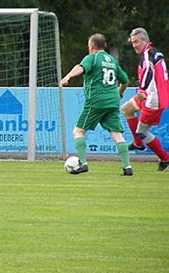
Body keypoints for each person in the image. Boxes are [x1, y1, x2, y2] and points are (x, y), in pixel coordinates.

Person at [59, 33, 133, 176]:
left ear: (91, 47)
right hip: (112, 102)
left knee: (78, 132)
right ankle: (127, 167)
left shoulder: (92, 58)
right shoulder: (112, 61)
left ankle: (83, 163)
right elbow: (125, 80)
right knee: (117, 134)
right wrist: (120, 93)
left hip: (96, 101)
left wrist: (67, 76)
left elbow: (80, 68)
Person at [120, 27, 169, 171]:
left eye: (136, 42)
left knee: (142, 132)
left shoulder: (148, 54)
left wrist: (142, 89)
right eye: (132, 43)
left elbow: (148, 70)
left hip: (154, 100)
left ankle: (165, 158)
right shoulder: (154, 53)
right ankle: (138, 144)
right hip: (150, 95)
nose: (134, 45)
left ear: (144, 40)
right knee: (126, 109)